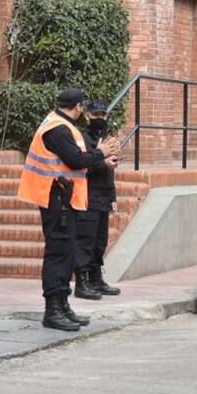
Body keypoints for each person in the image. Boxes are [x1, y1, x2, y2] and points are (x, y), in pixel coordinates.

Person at [18, 88, 120, 331]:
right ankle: (53, 309)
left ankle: (62, 305)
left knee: (65, 253)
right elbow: (76, 159)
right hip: (56, 199)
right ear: (78, 108)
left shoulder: (61, 126)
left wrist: (99, 159)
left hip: (64, 199)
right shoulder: (58, 129)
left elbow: (77, 160)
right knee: (58, 254)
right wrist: (101, 153)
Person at [74, 100, 121, 300]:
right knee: (86, 239)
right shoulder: (82, 138)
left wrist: (112, 196)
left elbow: (109, 170)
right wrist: (102, 161)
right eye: (96, 115)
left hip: (102, 195)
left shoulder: (105, 138)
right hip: (87, 194)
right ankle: (82, 282)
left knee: (99, 240)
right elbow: (81, 165)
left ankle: (95, 278)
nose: (100, 119)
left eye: (103, 115)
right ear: (87, 116)